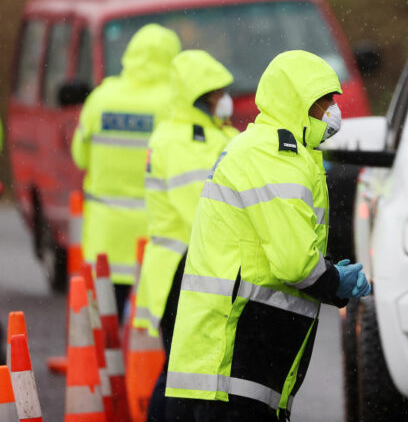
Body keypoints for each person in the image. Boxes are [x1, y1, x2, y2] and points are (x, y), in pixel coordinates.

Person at [165, 50, 371, 421]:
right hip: (233, 362)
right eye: (322, 102)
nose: (332, 111)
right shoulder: (275, 155)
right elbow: (294, 263)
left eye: (332, 101)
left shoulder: (267, 149)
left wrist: (327, 274)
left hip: (229, 365)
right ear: (296, 102)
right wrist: (333, 280)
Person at [132, 50, 240, 421]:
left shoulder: (209, 133)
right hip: (184, 268)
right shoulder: (180, 141)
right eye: (216, 92)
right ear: (199, 95)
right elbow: (203, 210)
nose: (224, 98)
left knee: (186, 372)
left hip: (193, 267)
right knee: (183, 375)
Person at [71, 24, 182, 319]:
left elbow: (79, 156)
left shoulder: (101, 98)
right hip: (153, 239)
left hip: (105, 238)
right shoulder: (173, 104)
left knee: (105, 328)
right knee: (149, 326)